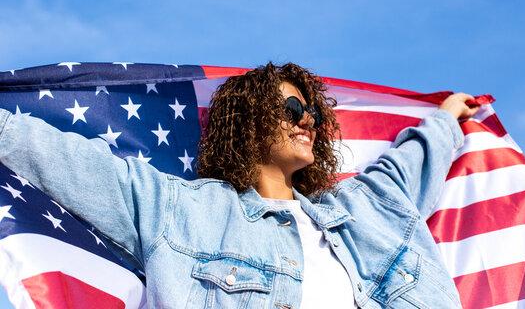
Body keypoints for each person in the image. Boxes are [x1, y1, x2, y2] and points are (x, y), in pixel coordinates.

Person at [0, 62, 478, 308]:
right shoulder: (180, 210)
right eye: (292, 109)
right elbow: (65, 160)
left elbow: (412, 161)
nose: (306, 120)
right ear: (249, 122)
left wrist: (448, 117)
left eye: (310, 111)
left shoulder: (369, 207)